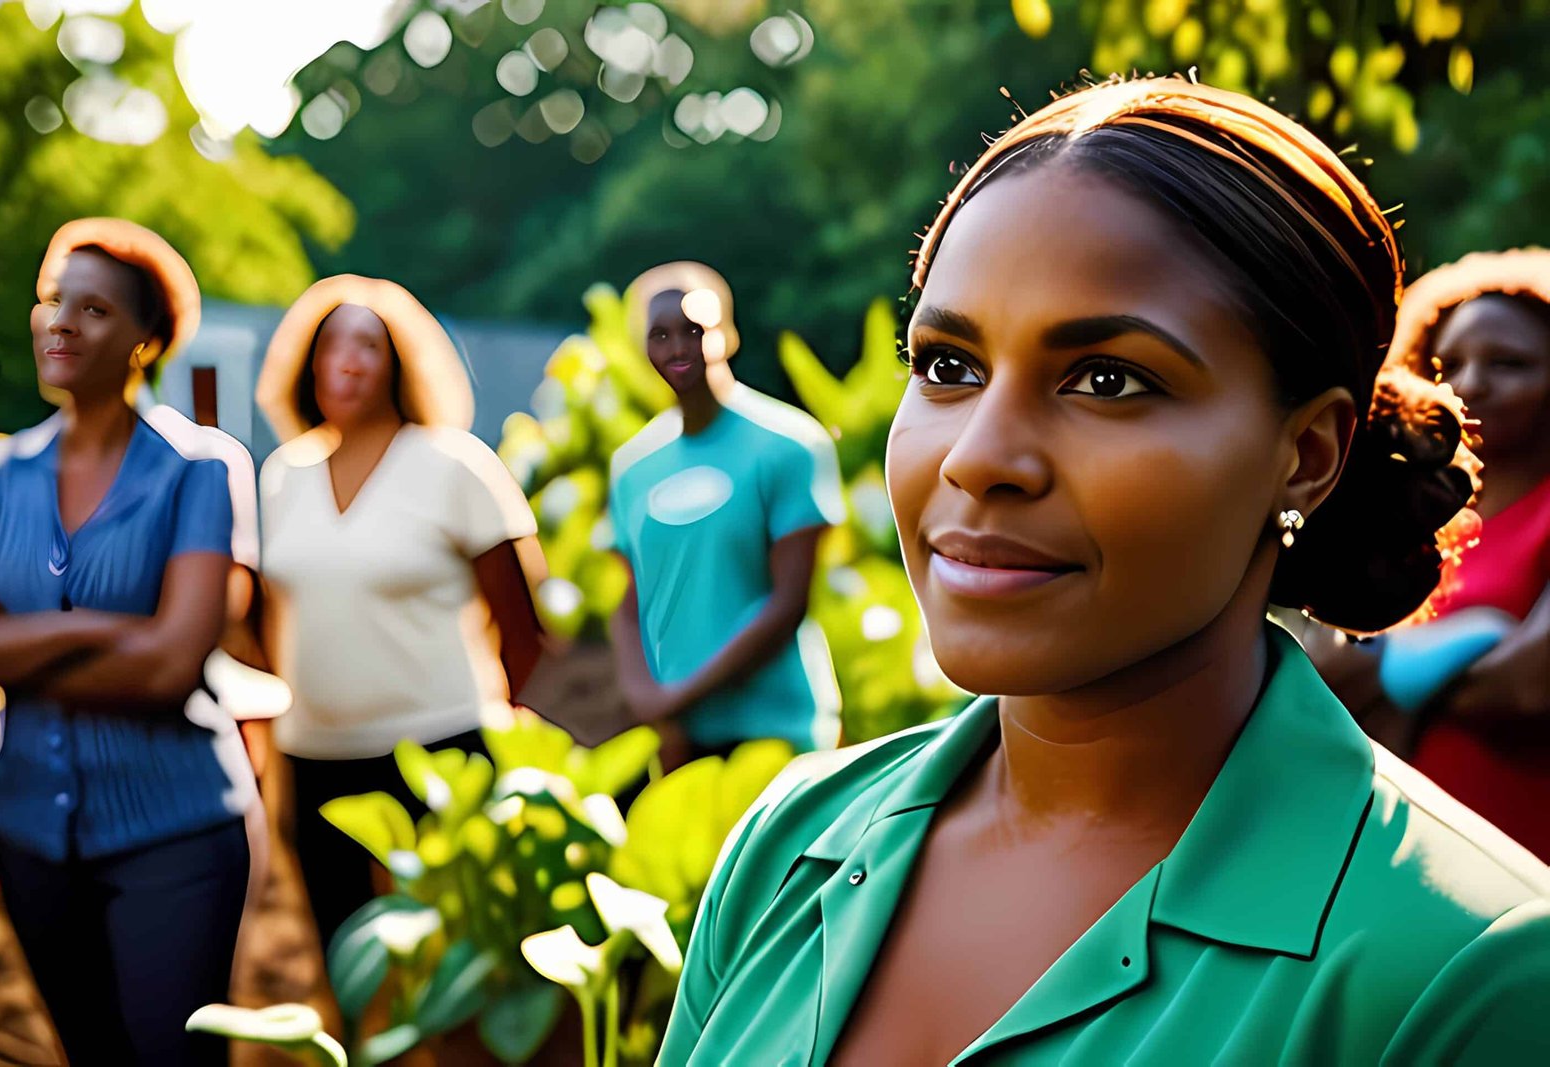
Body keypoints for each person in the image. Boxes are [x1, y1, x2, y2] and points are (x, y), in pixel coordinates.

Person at [656, 78, 1550, 1066]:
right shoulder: (789, 845)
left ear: (1304, 453)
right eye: (948, 364)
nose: (977, 457)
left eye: (1108, 379)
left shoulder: (1468, 971)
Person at [0, 218, 247, 1065]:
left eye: (94, 310)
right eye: (52, 300)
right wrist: (92, 628)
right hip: (28, 830)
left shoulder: (199, 469)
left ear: (146, 340)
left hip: (176, 833)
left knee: (170, 1055)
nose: (61, 323)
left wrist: (4, 644)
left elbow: (169, 666)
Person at [253, 274, 547, 951]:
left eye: (369, 345)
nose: (349, 360)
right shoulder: (283, 477)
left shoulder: (454, 465)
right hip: (315, 756)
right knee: (345, 956)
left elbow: (523, 633)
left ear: (398, 364)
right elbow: (272, 626)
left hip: (439, 752)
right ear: (309, 364)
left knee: (452, 963)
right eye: (331, 344)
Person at [1309, 249, 1550, 858]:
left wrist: (1392, 676)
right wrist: (1475, 643)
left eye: (1511, 364)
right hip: (1388, 842)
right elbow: (1317, 672)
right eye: (1449, 362)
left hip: (1521, 839)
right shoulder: (1404, 507)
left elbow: (1531, 685)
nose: (1470, 383)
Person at [608, 262, 845, 764]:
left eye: (694, 329)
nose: (678, 348)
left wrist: (680, 696)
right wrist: (643, 697)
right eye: (660, 334)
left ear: (727, 333)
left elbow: (787, 605)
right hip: (679, 743)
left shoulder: (789, 445)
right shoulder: (631, 469)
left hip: (778, 733)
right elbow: (630, 604)